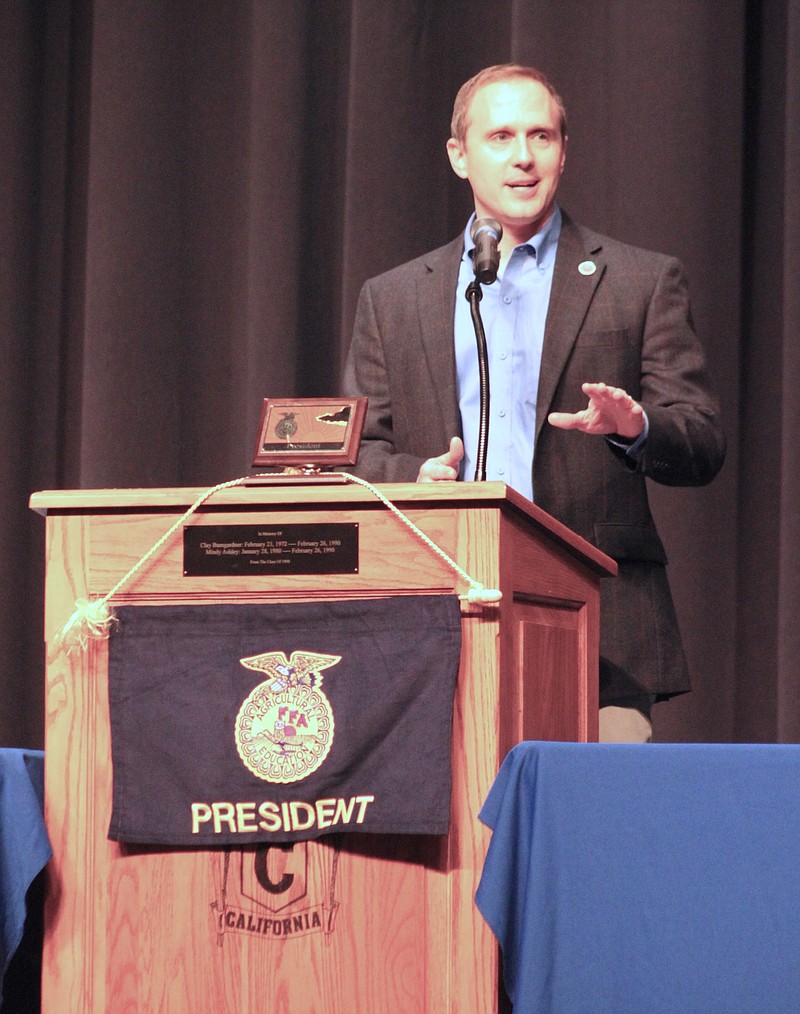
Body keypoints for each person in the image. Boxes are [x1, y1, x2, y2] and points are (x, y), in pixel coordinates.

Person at [342, 64, 725, 742]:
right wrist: (416, 477)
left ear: (564, 151)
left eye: (541, 136)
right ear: (460, 155)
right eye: (500, 137)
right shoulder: (394, 298)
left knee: (596, 833)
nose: (523, 157)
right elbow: (357, 452)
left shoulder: (638, 280)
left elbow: (699, 439)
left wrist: (637, 427)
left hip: (602, 628)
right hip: (437, 617)